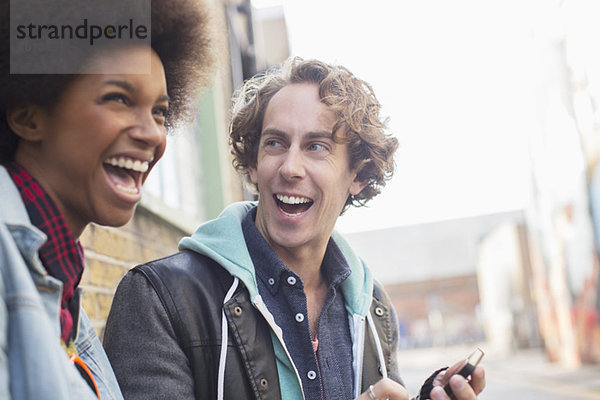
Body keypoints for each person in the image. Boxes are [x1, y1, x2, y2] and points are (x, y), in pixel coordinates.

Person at [103, 57, 485, 400]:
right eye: (275, 143)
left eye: (316, 146)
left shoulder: (372, 308)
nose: (290, 168)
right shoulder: (159, 300)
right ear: (253, 164)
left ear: (358, 175)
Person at [0, 0, 214, 398]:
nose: (152, 134)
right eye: (119, 98)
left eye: (160, 112)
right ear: (27, 115)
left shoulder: (61, 282)